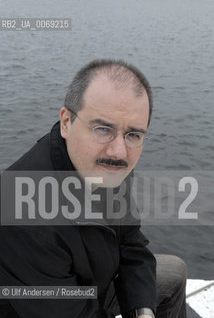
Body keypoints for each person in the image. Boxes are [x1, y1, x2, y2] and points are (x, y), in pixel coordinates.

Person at [0, 59, 187, 318]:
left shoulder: (107, 167)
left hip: (90, 285)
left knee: (174, 273)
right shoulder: (22, 213)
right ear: (66, 122)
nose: (119, 151)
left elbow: (131, 244)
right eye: (102, 129)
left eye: (133, 134)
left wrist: (142, 311)